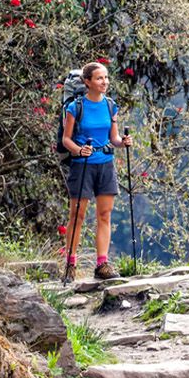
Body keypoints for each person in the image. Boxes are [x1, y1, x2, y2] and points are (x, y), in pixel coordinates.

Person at [61, 60, 132, 282]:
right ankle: (71, 263)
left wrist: (123, 142)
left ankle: (102, 264)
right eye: (100, 78)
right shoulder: (76, 107)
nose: (105, 82)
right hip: (82, 166)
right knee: (78, 215)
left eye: (106, 78)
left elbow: (113, 138)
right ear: (87, 82)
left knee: (105, 215)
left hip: (105, 164)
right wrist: (79, 150)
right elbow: (66, 139)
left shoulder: (110, 106)